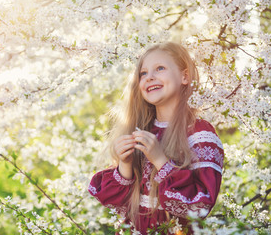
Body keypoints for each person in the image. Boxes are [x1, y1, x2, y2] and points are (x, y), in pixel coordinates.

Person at [88, 42, 224, 234]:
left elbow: (200, 206)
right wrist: (125, 164)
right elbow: (120, 205)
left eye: (160, 68)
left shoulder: (199, 134)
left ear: (185, 76)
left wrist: (160, 160)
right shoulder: (141, 129)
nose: (150, 77)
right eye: (143, 73)